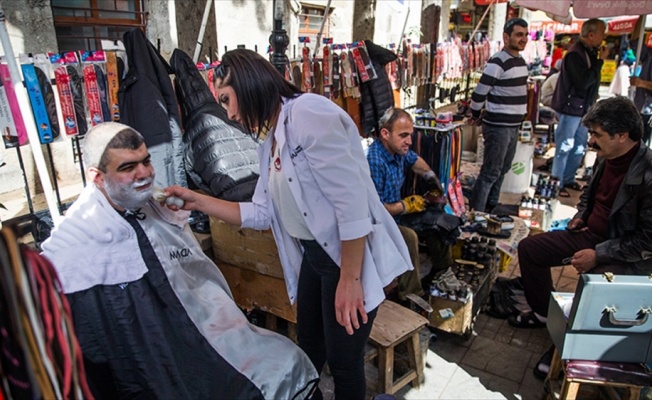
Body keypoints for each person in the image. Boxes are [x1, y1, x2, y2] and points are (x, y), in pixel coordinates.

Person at [165, 49, 412, 399]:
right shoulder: (271, 142)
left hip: (345, 259)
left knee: (345, 364)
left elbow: (352, 205)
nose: (230, 113)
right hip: (316, 259)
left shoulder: (308, 113)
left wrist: (350, 279)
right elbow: (262, 212)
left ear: (247, 83)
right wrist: (198, 200)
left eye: (226, 100)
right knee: (309, 350)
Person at [41, 122, 319, 399]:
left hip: (203, 332)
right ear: (97, 177)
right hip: (157, 362)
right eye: (128, 167)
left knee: (287, 361)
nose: (145, 174)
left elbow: (197, 282)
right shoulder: (73, 245)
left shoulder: (158, 208)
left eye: (146, 161)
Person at [511, 96, 652, 332]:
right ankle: (544, 314)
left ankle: (568, 343)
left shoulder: (648, 174)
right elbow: (590, 194)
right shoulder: (605, 158)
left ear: (622, 135)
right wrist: (582, 215)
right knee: (530, 249)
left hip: (625, 252)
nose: (591, 141)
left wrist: (598, 254)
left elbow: (647, 241)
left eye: (597, 134)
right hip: (593, 236)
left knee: (593, 286)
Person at [366, 107, 453, 298]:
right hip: (379, 223)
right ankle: (411, 295)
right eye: (404, 135)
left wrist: (430, 177)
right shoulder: (374, 160)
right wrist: (406, 206)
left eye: (411, 135)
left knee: (441, 222)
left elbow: (415, 161)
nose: (410, 141)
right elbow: (375, 210)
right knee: (409, 237)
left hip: (397, 215)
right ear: (385, 134)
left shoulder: (398, 149)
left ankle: (442, 273)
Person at [468, 18, 529, 213]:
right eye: (519, 34)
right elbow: (479, 92)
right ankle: (477, 213)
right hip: (498, 126)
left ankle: (490, 207)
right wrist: (476, 113)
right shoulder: (498, 61)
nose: (524, 39)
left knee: (503, 169)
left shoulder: (520, 61)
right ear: (506, 36)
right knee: (491, 171)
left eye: (526, 35)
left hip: (512, 126)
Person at [550, 18, 608, 198]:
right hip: (571, 109)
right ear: (591, 35)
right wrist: (600, 62)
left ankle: (567, 179)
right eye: (601, 34)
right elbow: (583, 81)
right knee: (565, 147)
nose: (603, 38)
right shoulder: (576, 54)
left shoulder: (589, 53)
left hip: (583, 109)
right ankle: (556, 182)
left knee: (579, 147)